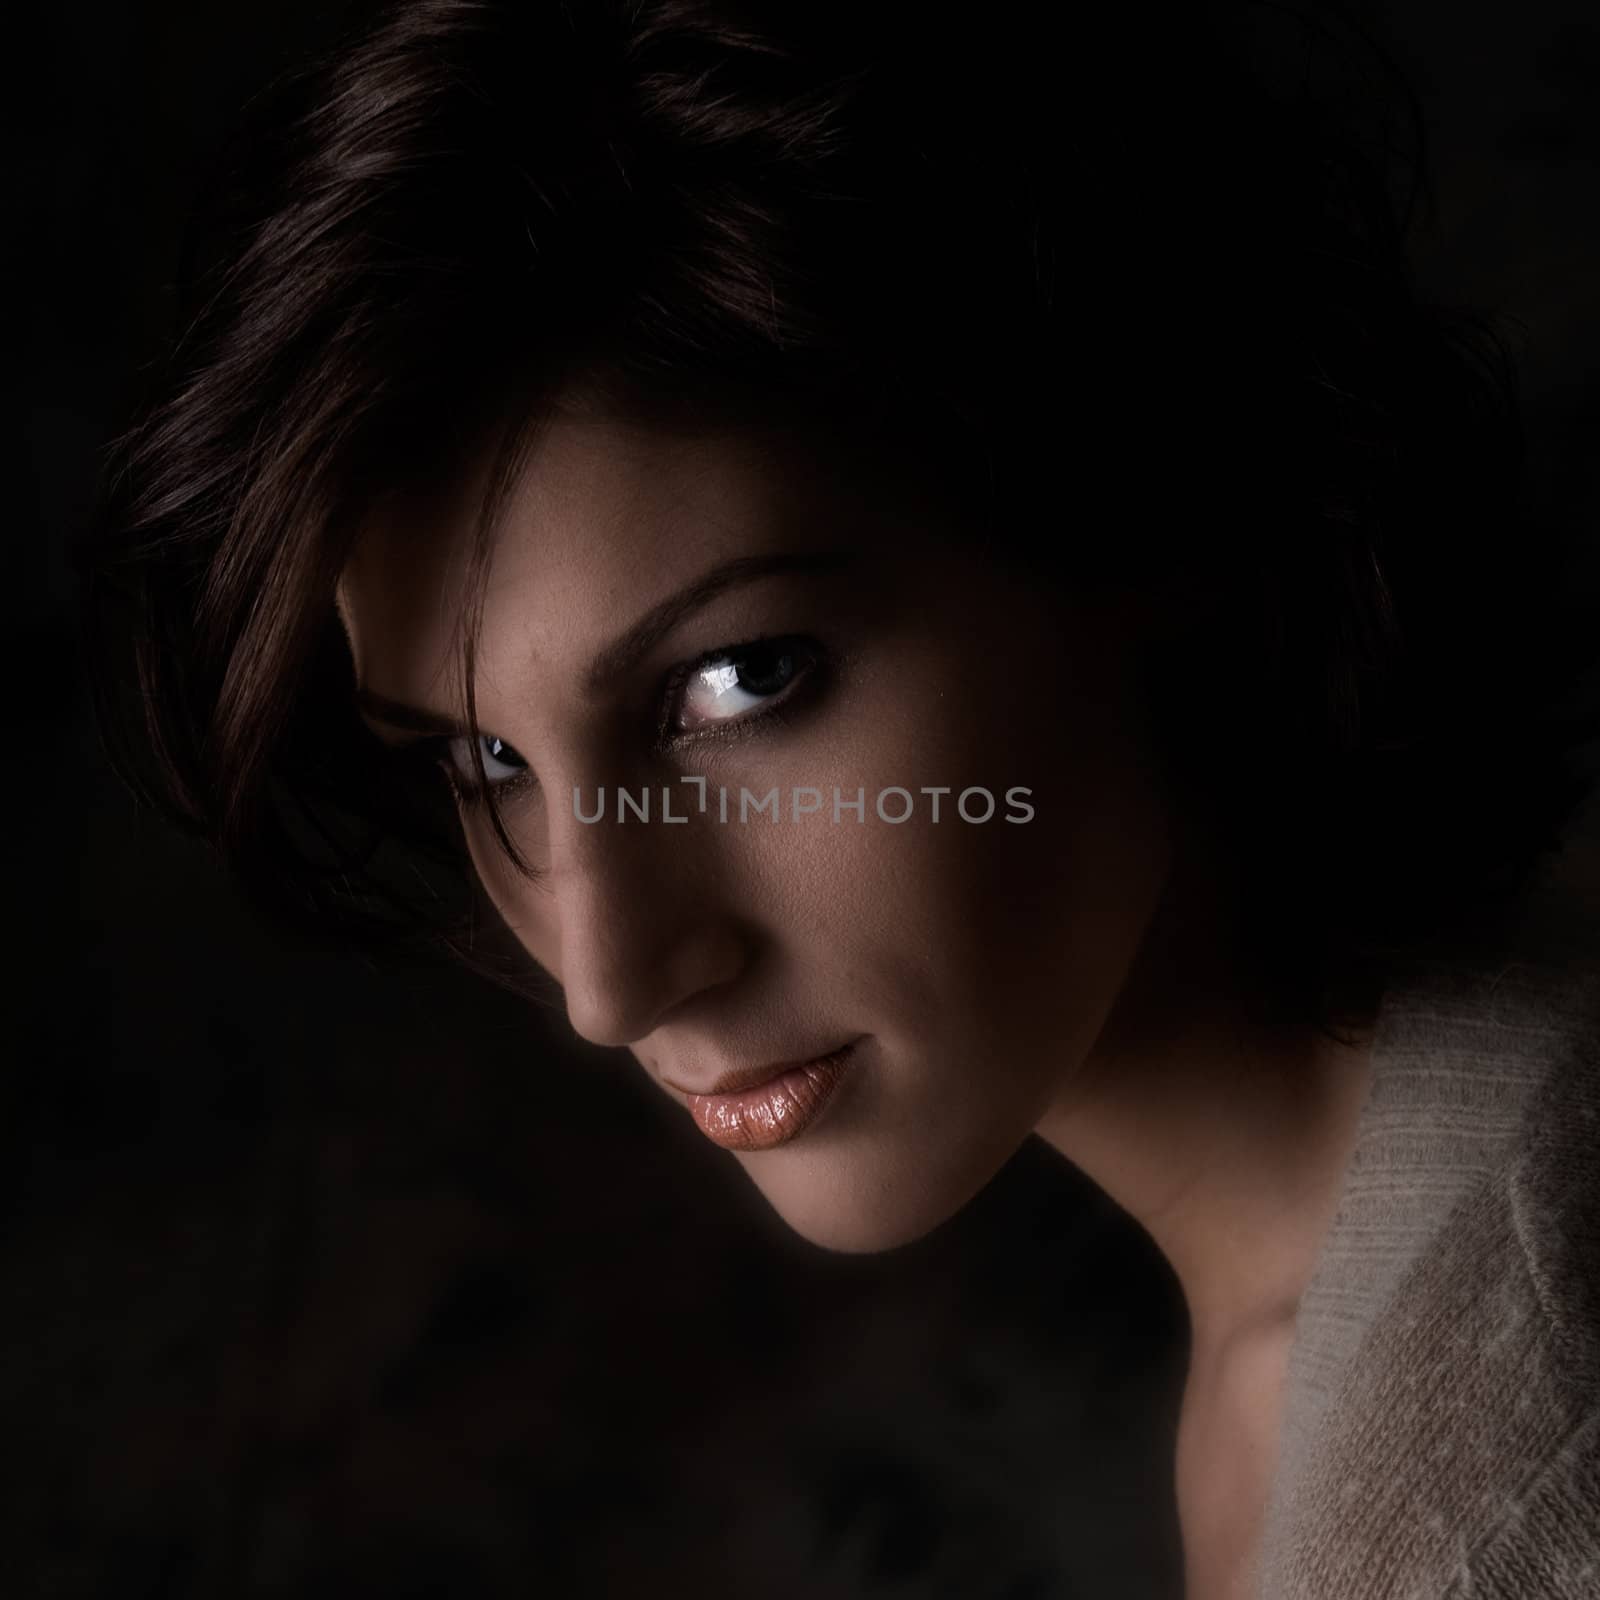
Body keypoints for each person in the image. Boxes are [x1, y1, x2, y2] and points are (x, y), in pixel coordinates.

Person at [80, 2, 1600, 1595]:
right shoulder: (1383, 1290)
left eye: (741, 682)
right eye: (487, 763)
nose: (608, 980)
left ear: (1143, 500)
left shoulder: (1492, 1499)